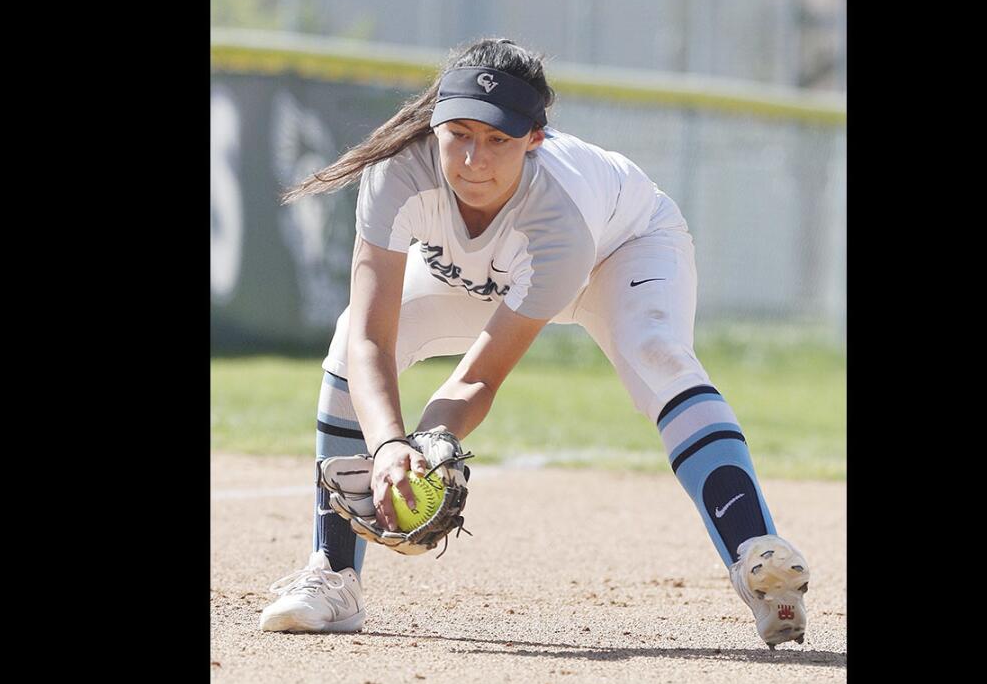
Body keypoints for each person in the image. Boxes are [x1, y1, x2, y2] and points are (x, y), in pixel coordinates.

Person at [259, 38, 811, 646]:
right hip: (483, 274)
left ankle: (760, 564)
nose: (474, 159)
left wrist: (430, 438)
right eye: (461, 133)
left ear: (534, 139)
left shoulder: (560, 219)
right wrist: (397, 448)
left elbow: (478, 378)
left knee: (658, 353)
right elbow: (371, 336)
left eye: (499, 139)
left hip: (620, 248)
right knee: (344, 344)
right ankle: (332, 576)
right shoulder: (398, 173)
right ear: (436, 122)